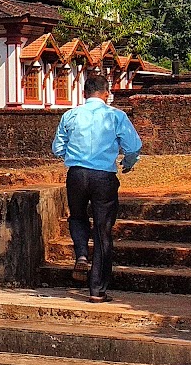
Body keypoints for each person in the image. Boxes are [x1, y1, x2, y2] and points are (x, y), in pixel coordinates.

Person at [51, 75, 142, 303]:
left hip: (77, 174)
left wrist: (71, 157)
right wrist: (127, 163)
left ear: (84, 93)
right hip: (103, 176)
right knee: (103, 231)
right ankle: (97, 289)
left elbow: (57, 147)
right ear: (106, 93)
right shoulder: (115, 116)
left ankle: (81, 252)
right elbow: (134, 146)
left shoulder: (70, 115)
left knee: (78, 217)